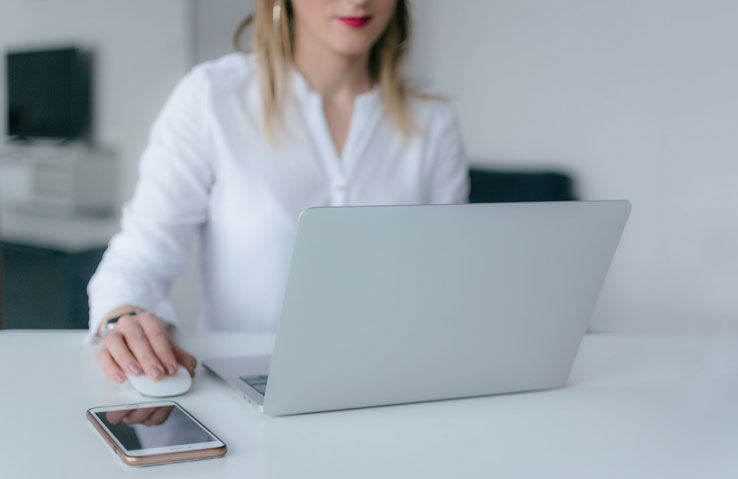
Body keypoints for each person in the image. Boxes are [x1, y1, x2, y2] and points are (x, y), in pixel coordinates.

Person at [87, 0, 469, 385]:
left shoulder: (433, 121)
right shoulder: (212, 98)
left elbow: (449, 281)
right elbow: (139, 259)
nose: (357, 0)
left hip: (393, 382)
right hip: (248, 385)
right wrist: (123, 317)